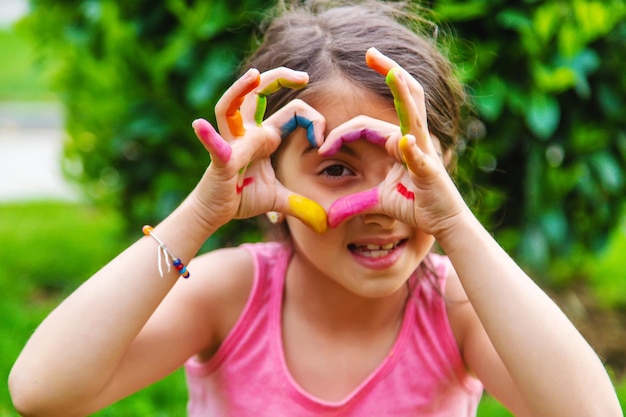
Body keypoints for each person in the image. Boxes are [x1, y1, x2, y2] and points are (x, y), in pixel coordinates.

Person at [8, 1, 622, 416]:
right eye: (336, 168)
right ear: (269, 177)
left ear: (445, 170)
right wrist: (200, 212)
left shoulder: (457, 312)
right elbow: (42, 393)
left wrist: (457, 225)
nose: (383, 204)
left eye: (408, 162)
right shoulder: (231, 293)